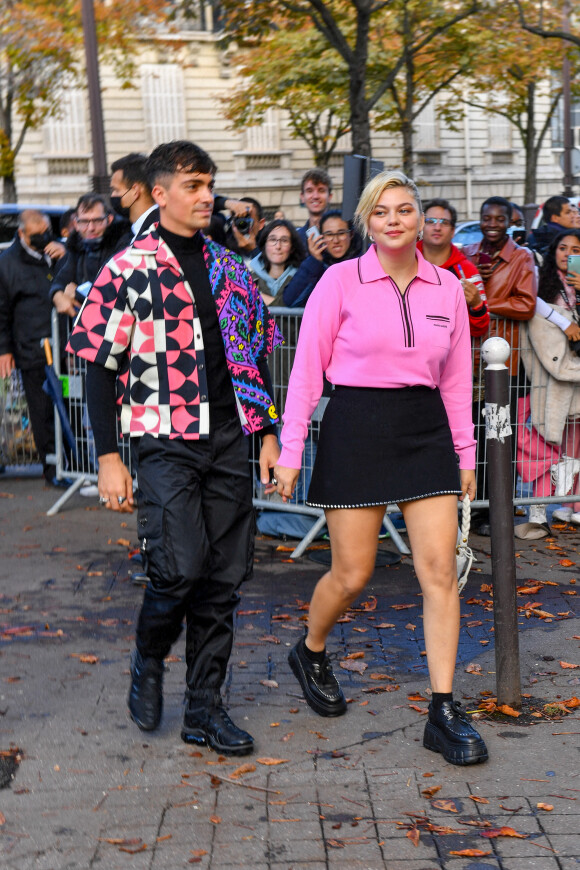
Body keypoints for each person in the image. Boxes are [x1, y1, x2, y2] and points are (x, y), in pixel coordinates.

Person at [67, 140, 282, 756]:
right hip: (164, 440)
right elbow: (97, 366)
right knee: (178, 568)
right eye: (193, 185)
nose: (207, 195)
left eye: (209, 184)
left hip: (229, 440)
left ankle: (205, 711)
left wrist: (265, 431)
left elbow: (250, 359)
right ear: (159, 194)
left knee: (223, 580)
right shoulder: (128, 267)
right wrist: (108, 457)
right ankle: (147, 654)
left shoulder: (230, 267)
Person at [273, 170, 488, 766]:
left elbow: (455, 380)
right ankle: (311, 649)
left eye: (406, 210)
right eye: (381, 212)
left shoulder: (446, 287)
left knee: (440, 572)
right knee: (352, 574)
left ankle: (443, 711)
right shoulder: (341, 281)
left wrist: (465, 455)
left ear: (422, 220)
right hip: (356, 426)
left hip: (425, 433)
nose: (394, 220)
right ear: (368, 222)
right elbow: (306, 372)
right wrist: (291, 451)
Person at [463, 196, 537, 533]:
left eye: (499, 219)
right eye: (486, 218)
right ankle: (476, 510)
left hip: (506, 359)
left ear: (510, 221)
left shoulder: (521, 257)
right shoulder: (468, 253)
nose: (492, 223)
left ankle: (498, 510)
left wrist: (481, 301)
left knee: (500, 435)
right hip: (470, 356)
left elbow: (526, 305)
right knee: (476, 436)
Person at [517, 230, 580, 537]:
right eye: (562, 248)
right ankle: (538, 513)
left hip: (576, 394)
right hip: (549, 390)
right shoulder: (543, 290)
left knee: (575, 450)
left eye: (576, 249)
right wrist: (564, 321)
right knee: (543, 451)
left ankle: (572, 507)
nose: (568, 254)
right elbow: (552, 349)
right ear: (553, 251)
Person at [0, 210, 66, 485]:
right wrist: (4, 349)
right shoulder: (7, 264)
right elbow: (2, 311)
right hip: (32, 349)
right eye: (37, 233)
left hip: (64, 349)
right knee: (42, 412)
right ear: (22, 234)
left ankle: (74, 463)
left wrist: (64, 255)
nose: (44, 236)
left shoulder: (57, 255)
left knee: (68, 407)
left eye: (47, 230)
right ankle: (52, 467)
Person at [418, 198, 489, 337]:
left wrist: (476, 305)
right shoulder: (404, 262)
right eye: (431, 221)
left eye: (444, 222)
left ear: (452, 231)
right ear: (421, 226)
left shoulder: (467, 272)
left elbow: (480, 329)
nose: (437, 227)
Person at [50, 194, 128, 318]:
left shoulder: (123, 245)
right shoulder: (76, 247)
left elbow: (114, 291)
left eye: (97, 221)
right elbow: (61, 279)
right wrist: (57, 295)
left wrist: (76, 293)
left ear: (109, 220)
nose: (91, 228)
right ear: (76, 224)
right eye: (85, 221)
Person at [283, 210, 364, 308]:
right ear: (321, 237)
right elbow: (290, 300)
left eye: (341, 233)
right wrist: (314, 260)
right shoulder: (316, 263)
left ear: (351, 234)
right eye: (329, 234)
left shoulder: (365, 258)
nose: (336, 240)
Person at [249, 219, 305, 306]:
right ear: (265, 245)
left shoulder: (301, 279)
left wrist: (260, 296)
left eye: (284, 240)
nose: (278, 246)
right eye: (272, 239)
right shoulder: (250, 278)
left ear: (292, 248)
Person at [109, 152, 158, 240]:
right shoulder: (130, 230)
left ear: (135, 191)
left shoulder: (157, 232)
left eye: (116, 190)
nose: (113, 195)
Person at [296, 169, 333, 245]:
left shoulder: (343, 236)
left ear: (329, 196)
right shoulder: (295, 239)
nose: (315, 196)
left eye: (321, 190)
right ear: (302, 197)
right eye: (310, 191)